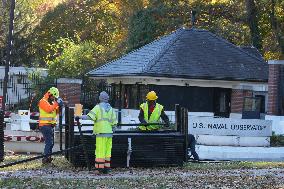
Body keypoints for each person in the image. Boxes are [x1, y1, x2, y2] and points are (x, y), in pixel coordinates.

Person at [76, 91, 117, 174]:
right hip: (109, 133)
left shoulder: (98, 107)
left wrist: (79, 116)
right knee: (107, 151)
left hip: (101, 133)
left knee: (100, 151)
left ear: (100, 98)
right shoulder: (111, 109)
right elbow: (114, 123)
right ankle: (106, 168)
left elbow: (89, 116)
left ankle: (99, 169)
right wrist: (112, 130)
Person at [38, 87, 63, 164]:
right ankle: (46, 159)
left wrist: (60, 106)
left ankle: (48, 158)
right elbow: (49, 109)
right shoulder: (42, 101)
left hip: (50, 126)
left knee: (51, 143)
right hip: (45, 125)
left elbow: (57, 112)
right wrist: (56, 103)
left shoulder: (51, 103)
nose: (53, 98)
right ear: (50, 94)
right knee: (49, 142)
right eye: (53, 97)